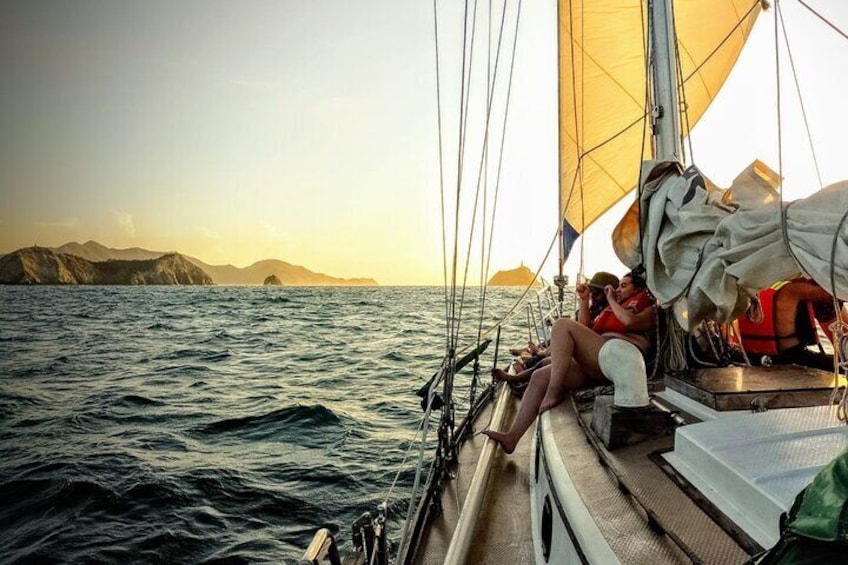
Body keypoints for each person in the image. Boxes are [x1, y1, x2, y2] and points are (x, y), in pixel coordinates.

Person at [484, 269, 656, 454]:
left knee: (561, 325)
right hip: (599, 361)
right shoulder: (612, 308)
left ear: (638, 289)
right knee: (539, 376)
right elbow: (583, 329)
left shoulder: (648, 309)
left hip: (618, 363)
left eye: (624, 286)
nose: (619, 290)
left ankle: (554, 391)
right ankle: (512, 437)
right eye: (618, 286)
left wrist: (613, 300)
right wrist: (584, 300)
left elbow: (629, 322)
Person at [492, 271, 620, 384]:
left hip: (594, 360)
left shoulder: (615, 311)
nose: (593, 296)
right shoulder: (595, 310)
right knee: (546, 359)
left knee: (548, 360)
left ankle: (520, 376)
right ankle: (523, 373)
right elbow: (584, 328)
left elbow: (585, 332)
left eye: (597, 293)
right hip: (582, 353)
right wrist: (584, 300)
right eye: (592, 292)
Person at [738, 278, 845, 372]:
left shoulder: (750, 287)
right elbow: (832, 294)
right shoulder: (795, 288)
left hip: (752, 357)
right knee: (828, 303)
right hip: (792, 359)